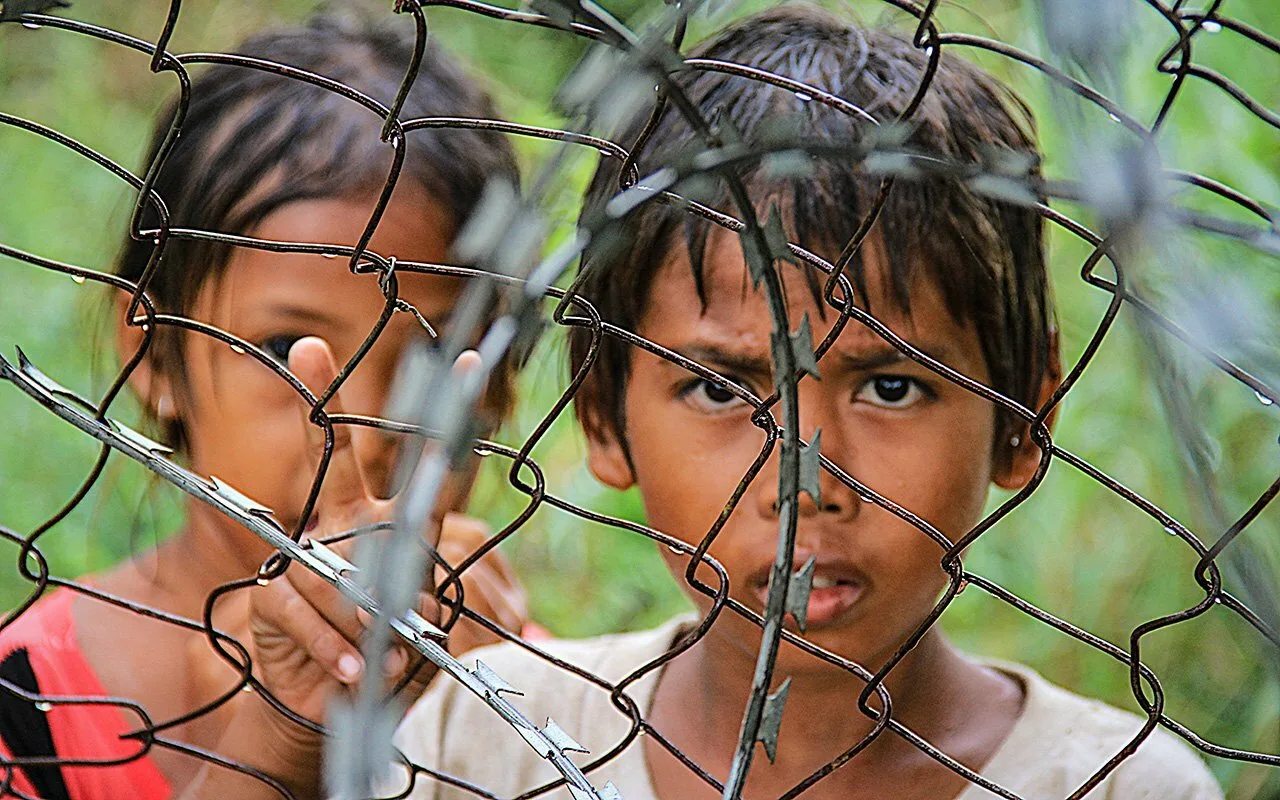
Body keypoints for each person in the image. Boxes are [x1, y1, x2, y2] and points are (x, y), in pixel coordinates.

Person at [193, 6, 1224, 800]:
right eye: (722, 387)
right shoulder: (490, 740)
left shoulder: (1120, 782)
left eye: (891, 383)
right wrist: (285, 721)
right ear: (601, 415)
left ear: (1021, 413)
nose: (803, 475)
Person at [0, 13, 528, 800]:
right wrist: (276, 741)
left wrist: (487, 713)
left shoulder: (524, 678)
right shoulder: (31, 707)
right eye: (287, 352)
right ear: (152, 350)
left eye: (431, 352)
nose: (366, 424)